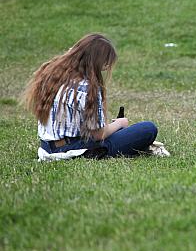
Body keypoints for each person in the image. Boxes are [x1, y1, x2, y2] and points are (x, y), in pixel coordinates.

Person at [23, 33, 160, 159]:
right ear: (97, 61)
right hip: (74, 149)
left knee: (123, 133)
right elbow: (98, 134)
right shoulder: (86, 87)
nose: (106, 67)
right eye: (106, 62)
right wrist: (118, 124)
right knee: (148, 129)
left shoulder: (53, 74)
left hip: (47, 148)